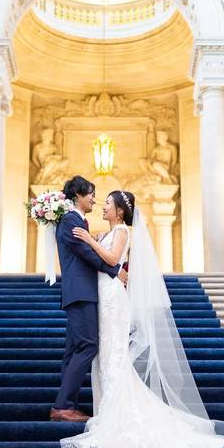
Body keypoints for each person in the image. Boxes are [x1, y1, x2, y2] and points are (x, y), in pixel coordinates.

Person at [59, 189, 224, 448]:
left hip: (113, 298)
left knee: (114, 353)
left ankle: (116, 415)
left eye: (108, 204)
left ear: (120, 211)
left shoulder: (123, 232)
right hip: (102, 295)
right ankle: (106, 410)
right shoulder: (107, 230)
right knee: (103, 354)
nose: (103, 206)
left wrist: (89, 241)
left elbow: (113, 259)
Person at [50, 175, 127, 423]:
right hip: (81, 291)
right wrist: (116, 271)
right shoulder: (72, 220)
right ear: (77, 196)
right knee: (88, 345)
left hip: (81, 291)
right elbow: (88, 254)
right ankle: (63, 406)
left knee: (74, 349)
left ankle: (66, 403)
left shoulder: (76, 220)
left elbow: (91, 251)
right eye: (91, 194)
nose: (94, 199)